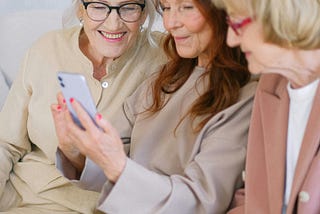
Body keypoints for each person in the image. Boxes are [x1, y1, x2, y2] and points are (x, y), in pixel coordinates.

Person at [52, 0, 258, 213]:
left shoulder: (248, 98)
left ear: (228, 10)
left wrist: (118, 168)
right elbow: (111, 167)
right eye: (166, 8)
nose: (169, 23)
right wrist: (75, 151)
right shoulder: (165, 78)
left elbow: (201, 202)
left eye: (186, 8)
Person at [0, 0, 167, 212]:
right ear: (81, 9)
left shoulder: (165, 59)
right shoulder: (47, 47)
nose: (113, 24)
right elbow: (6, 143)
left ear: (144, 13)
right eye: (98, 6)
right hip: (15, 193)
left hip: (90, 206)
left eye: (129, 7)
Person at [214, 0, 320, 213]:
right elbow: (255, 194)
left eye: (237, 24)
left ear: (282, 16)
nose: (231, 39)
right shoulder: (271, 83)